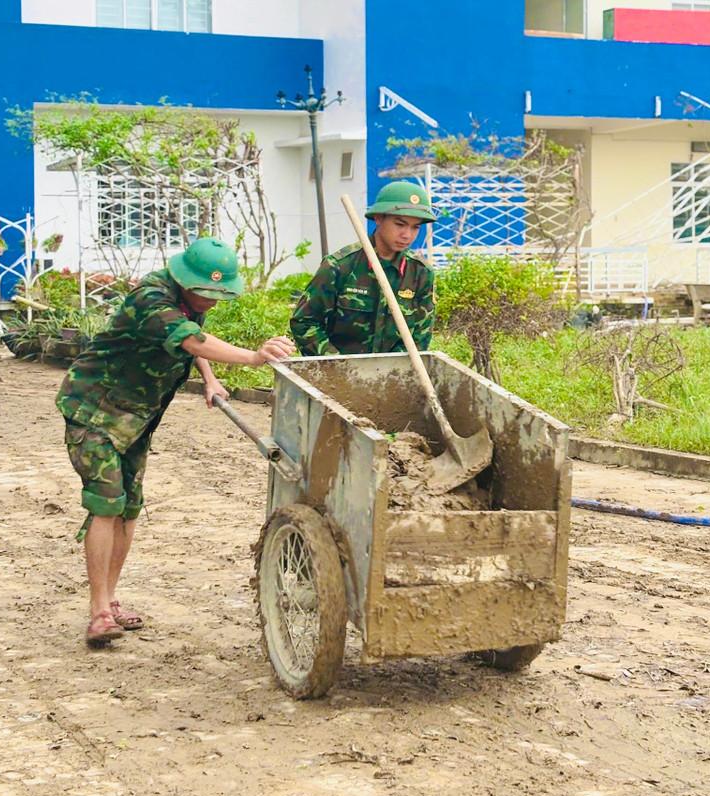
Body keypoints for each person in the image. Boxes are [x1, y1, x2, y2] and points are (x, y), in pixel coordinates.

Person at [55, 237, 294, 647]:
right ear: (185, 280)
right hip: (94, 410)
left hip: (136, 417)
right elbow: (186, 337)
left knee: (130, 507)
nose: (212, 301)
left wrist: (210, 377)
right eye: (206, 292)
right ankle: (97, 613)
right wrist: (253, 358)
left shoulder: (188, 303)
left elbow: (191, 339)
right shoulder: (150, 298)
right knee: (107, 501)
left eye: (219, 294)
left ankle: (110, 603)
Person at [290, 180, 437, 356]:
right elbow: (305, 322)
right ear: (378, 218)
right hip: (336, 375)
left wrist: (393, 370)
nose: (407, 235)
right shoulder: (340, 266)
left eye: (415, 227)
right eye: (400, 224)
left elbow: (420, 337)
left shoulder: (420, 273)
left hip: (393, 374)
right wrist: (338, 366)